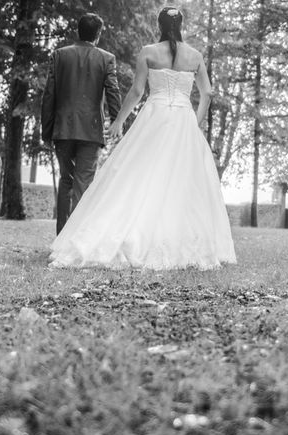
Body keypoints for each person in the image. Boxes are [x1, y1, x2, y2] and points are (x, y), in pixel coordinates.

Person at [49, 6, 237, 270]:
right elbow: (206, 93)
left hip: (155, 117)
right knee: (183, 182)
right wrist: (195, 122)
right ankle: (176, 238)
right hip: (184, 121)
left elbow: (137, 92)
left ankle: (132, 233)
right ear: (181, 25)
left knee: (138, 175)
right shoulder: (195, 56)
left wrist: (119, 121)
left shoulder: (148, 52)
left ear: (158, 25)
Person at [41, 13, 121, 234]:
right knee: (83, 185)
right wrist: (117, 120)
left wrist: (46, 132)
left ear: (78, 31)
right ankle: (74, 240)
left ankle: (61, 238)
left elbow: (49, 95)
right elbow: (113, 91)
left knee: (65, 180)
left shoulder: (59, 55)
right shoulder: (106, 59)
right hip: (91, 130)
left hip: (63, 129)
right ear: (98, 34)